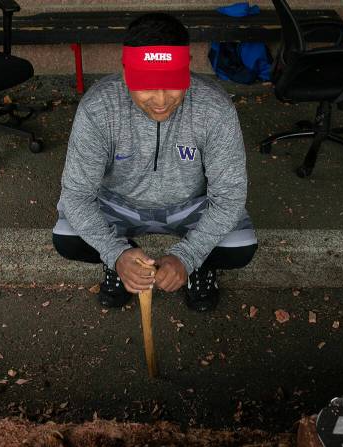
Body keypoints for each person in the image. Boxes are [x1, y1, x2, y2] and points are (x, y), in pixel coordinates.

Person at [53, 12, 257, 312]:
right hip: (118, 204)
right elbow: (76, 195)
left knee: (240, 247)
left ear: (187, 67)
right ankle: (125, 262)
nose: (161, 100)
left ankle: (200, 267)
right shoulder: (98, 107)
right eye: (147, 85)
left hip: (190, 205)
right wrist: (115, 253)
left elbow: (229, 197)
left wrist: (188, 256)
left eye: (173, 84)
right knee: (67, 237)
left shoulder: (215, 109)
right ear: (126, 73)